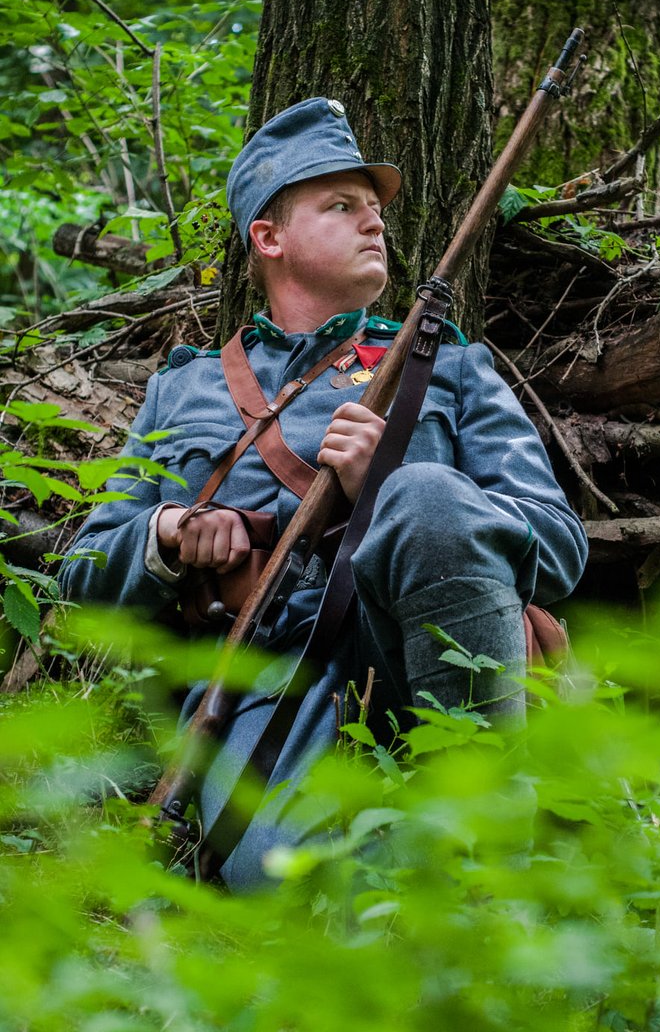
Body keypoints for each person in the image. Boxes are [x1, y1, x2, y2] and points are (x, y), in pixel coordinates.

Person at [60, 97, 588, 889]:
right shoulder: (188, 389)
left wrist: (387, 485)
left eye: (373, 209)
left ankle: (485, 833)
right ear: (267, 239)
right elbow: (86, 571)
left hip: (428, 663)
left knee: (425, 493)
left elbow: (557, 545)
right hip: (263, 681)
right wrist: (167, 535)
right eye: (340, 206)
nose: (373, 223)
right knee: (293, 887)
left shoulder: (449, 366)